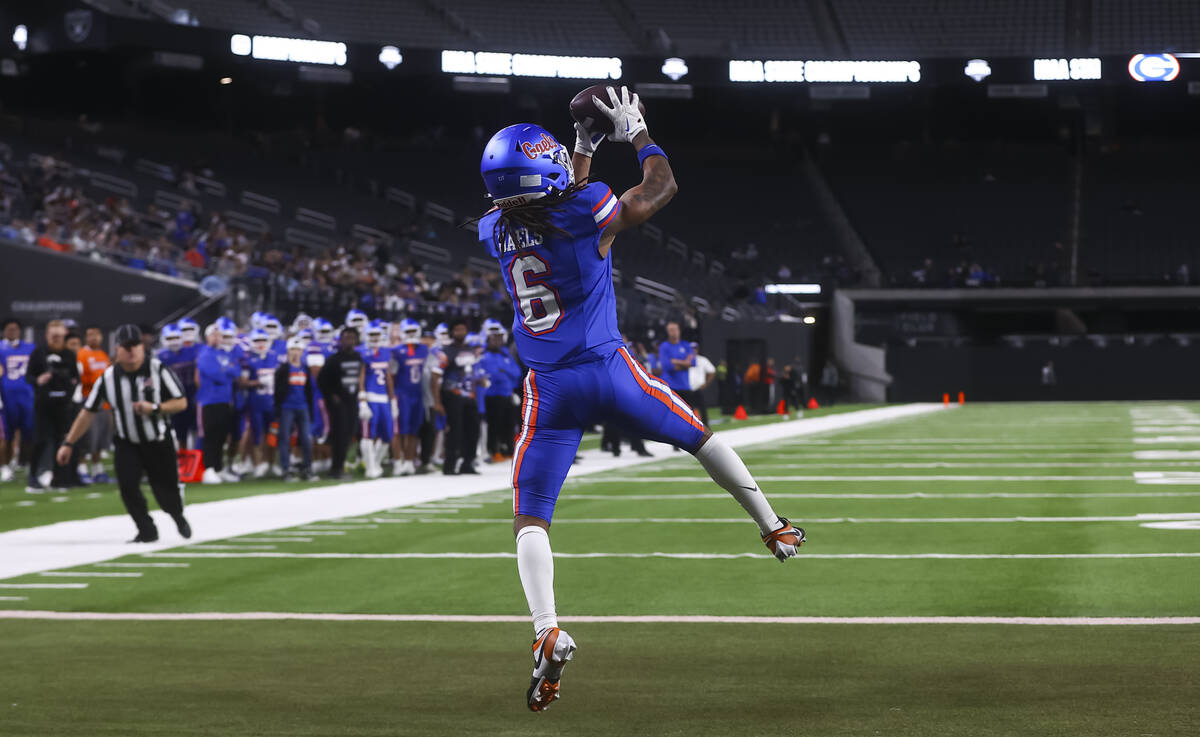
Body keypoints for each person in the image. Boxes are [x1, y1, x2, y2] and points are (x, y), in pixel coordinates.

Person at [475, 94, 804, 712]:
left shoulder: (495, 228)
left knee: (531, 517)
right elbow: (659, 187)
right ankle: (774, 527)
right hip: (609, 369)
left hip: (547, 387)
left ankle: (546, 626)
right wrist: (639, 133)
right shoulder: (585, 208)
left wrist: (582, 147)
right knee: (699, 438)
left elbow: (552, 202)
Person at [57, 324, 190, 542]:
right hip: (127, 441)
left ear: (142, 347)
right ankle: (146, 530)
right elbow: (87, 412)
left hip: (157, 440)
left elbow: (181, 402)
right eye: (126, 346)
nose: (131, 350)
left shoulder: (157, 369)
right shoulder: (108, 377)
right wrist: (68, 443)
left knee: (165, 492)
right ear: (117, 349)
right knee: (127, 487)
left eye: (135, 345)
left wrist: (156, 408)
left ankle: (177, 515)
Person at [26, 320, 80, 493]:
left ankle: (59, 478)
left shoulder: (69, 355)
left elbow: (76, 377)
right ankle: (33, 477)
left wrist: (70, 384)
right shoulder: (38, 353)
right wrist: (39, 380)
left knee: (61, 441)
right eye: (53, 336)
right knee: (41, 440)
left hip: (63, 405)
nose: (56, 339)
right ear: (47, 335)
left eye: (59, 336)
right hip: (44, 404)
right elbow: (28, 376)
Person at [430, 319, 484, 475]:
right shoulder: (445, 352)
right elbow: (435, 377)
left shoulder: (470, 350)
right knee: (455, 431)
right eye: (457, 330)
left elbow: (471, 373)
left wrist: (477, 385)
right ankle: (450, 465)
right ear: (452, 332)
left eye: (463, 329)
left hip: (470, 395)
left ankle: (468, 462)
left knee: (473, 430)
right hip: (452, 394)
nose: (460, 332)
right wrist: (437, 401)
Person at [196, 318, 241, 484]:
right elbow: (217, 374)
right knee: (210, 435)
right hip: (209, 400)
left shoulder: (224, 353)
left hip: (224, 400)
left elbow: (236, 370)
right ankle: (208, 469)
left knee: (222, 435)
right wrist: (226, 371)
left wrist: (226, 371)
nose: (216, 338)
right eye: (213, 335)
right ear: (207, 337)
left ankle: (218, 467)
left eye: (219, 335)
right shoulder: (204, 353)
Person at [317, 326, 364, 479]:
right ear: (341, 340)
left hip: (353, 402)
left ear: (356, 340)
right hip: (339, 404)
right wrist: (331, 396)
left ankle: (340, 466)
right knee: (339, 436)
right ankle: (336, 468)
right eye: (346, 337)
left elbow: (361, 378)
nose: (349, 340)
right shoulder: (334, 359)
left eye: (352, 337)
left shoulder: (358, 357)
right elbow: (321, 380)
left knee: (349, 434)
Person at [478, 325, 523, 462]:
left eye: (499, 338)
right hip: (493, 395)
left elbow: (517, 373)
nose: (497, 341)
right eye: (494, 339)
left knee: (510, 423)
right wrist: (504, 371)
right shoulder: (484, 356)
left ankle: (508, 449)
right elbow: (494, 375)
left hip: (507, 393)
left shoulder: (505, 354)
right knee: (494, 425)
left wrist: (504, 370)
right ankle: (494, 451)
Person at [389, 319, 428, 476]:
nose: (411, 335)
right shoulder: (396, 351)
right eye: (408, 332)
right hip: (402, 394)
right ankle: (399, 461)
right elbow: (390, 376)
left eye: (414, 331)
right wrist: (392, 397)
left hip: (418, 395)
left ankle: (410, 461)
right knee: (399, 430)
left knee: (414, 430)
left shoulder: (425, 350)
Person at [76, 325, 114, 483]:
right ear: (85, 338)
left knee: (100, 439)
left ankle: (98, 469)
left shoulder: (103, 354)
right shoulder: (82, 355)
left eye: (96, 335)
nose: (94, 338)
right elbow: (80, 379)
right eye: (90, 335)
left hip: (103, 402)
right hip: (89, 401)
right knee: (87, 437)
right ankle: (82, 469)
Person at [357, 320, 394, 479]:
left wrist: (393, 399)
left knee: (387, 434)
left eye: (376, 334)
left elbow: (388, 376)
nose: (374, 337)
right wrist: (362, 400)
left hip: (384, 398)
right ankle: (370, 467)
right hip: (370, 397)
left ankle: (376, 464)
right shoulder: (362, 352)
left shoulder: (385, 351)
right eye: (371, 334)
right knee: (368, 434)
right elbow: (361, 376)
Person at [0, 318, 36, 483]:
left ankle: (25, 462)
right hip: (6, 397)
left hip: (27, 396)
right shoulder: (1, 348)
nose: (12, 331)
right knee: (6, 435)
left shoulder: (30, 348)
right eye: (9, 329)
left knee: (29, 433)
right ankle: (5, 466)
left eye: (15, 328)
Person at [274, 337, 314, 480]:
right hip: (287, 407)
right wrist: (278, 409)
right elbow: (277, 391)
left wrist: (311, 409)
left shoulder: (305, 368)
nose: (295, 352)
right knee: (284, 438)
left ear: (302, 351)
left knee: (306, 438)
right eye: (292, 349)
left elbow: (309, 391)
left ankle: (307, 468)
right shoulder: (283, 369)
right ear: (287, 351)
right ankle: (286, 469)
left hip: (303, 407)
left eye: (298, 349)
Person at [243, 329, 280, 478]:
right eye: (257, 341)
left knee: (273, 433)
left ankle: (271, 462)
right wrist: (257, 382)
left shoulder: (274, 357)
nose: (260, 344)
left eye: (263, 340)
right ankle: (259, 463)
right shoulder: (248, 359)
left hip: (272, 401)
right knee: (257, 433)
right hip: (256, 402)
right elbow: (243, 382)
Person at [685, 341, 715, 425]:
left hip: (698, 388)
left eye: (695, 348)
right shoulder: (685, 360)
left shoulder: (702, 360)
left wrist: (706, 384)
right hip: (687, 389)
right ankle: (689, 426)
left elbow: (712, 371)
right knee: (687, 409)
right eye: (692, 349)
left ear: (697, 349)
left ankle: (706, 427)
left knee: (702, 409)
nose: (693, 350)